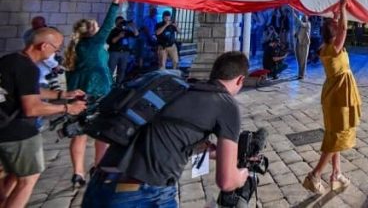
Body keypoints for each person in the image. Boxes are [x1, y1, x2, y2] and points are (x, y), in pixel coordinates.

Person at [83, 51, 251, 207]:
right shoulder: (226, 104)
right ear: (240, 80)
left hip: (99, 183)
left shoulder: (180, 88)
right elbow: (227, 182)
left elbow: (171, 134)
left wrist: (215, 154)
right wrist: (243, 174)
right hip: (143, 193)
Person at [0, 28, 87, 208]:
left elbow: (29, 90)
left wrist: (62, 94)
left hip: (3, 124)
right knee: (28, 180)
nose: (56, 53)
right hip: (18, 132)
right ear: (44, 45)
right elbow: (32, 108)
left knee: (13, 175)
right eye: (56, 49)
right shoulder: (28, 68)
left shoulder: (9, 60)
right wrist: (67, 108)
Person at [303, 0, 360, 195]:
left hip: (334, 95)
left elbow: (338, 27)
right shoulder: (333, 49)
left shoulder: (326, 48)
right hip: (338, 97)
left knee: (334, 133)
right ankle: (315, 175)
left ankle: (336, 174)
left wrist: (337, 11)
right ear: (334, 35)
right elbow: (343, 29)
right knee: (336, 136)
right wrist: (344, 7)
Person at [63, 0, 122, 188]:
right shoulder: (94, 44)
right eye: (96, 27)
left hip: (78, 95)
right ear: (92, 31)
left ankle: (77, 173)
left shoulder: (75, 47)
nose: (100, 28)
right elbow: (108, 26)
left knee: (79, 135)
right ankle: (99, 167)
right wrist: (115, 3)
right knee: (102, 135)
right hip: (97, 95)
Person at [107, 16, 138, 84]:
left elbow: (136, 34)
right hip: (115, 52)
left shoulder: (126, 31)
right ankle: (108, 84)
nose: (122, 23)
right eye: (120, 22)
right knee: (111, 69)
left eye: (123, 21)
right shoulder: (113, 31)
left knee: (122, 69)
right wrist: (119, 36)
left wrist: (133, 26)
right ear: (116, 23)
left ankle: (119, 84)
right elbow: (111, 41)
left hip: (125, 52)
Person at [295, 13, 311, 79]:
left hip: (305, 44)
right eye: (303, 16)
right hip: (298, 43)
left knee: (303, 60)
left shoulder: (308, 24)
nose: (304, 17)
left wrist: (295, 16)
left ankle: (302, 75)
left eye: (305, 16)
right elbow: (297, 32)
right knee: (298, 59)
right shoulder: (300, 26)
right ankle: (299, 73)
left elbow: (302, 24)